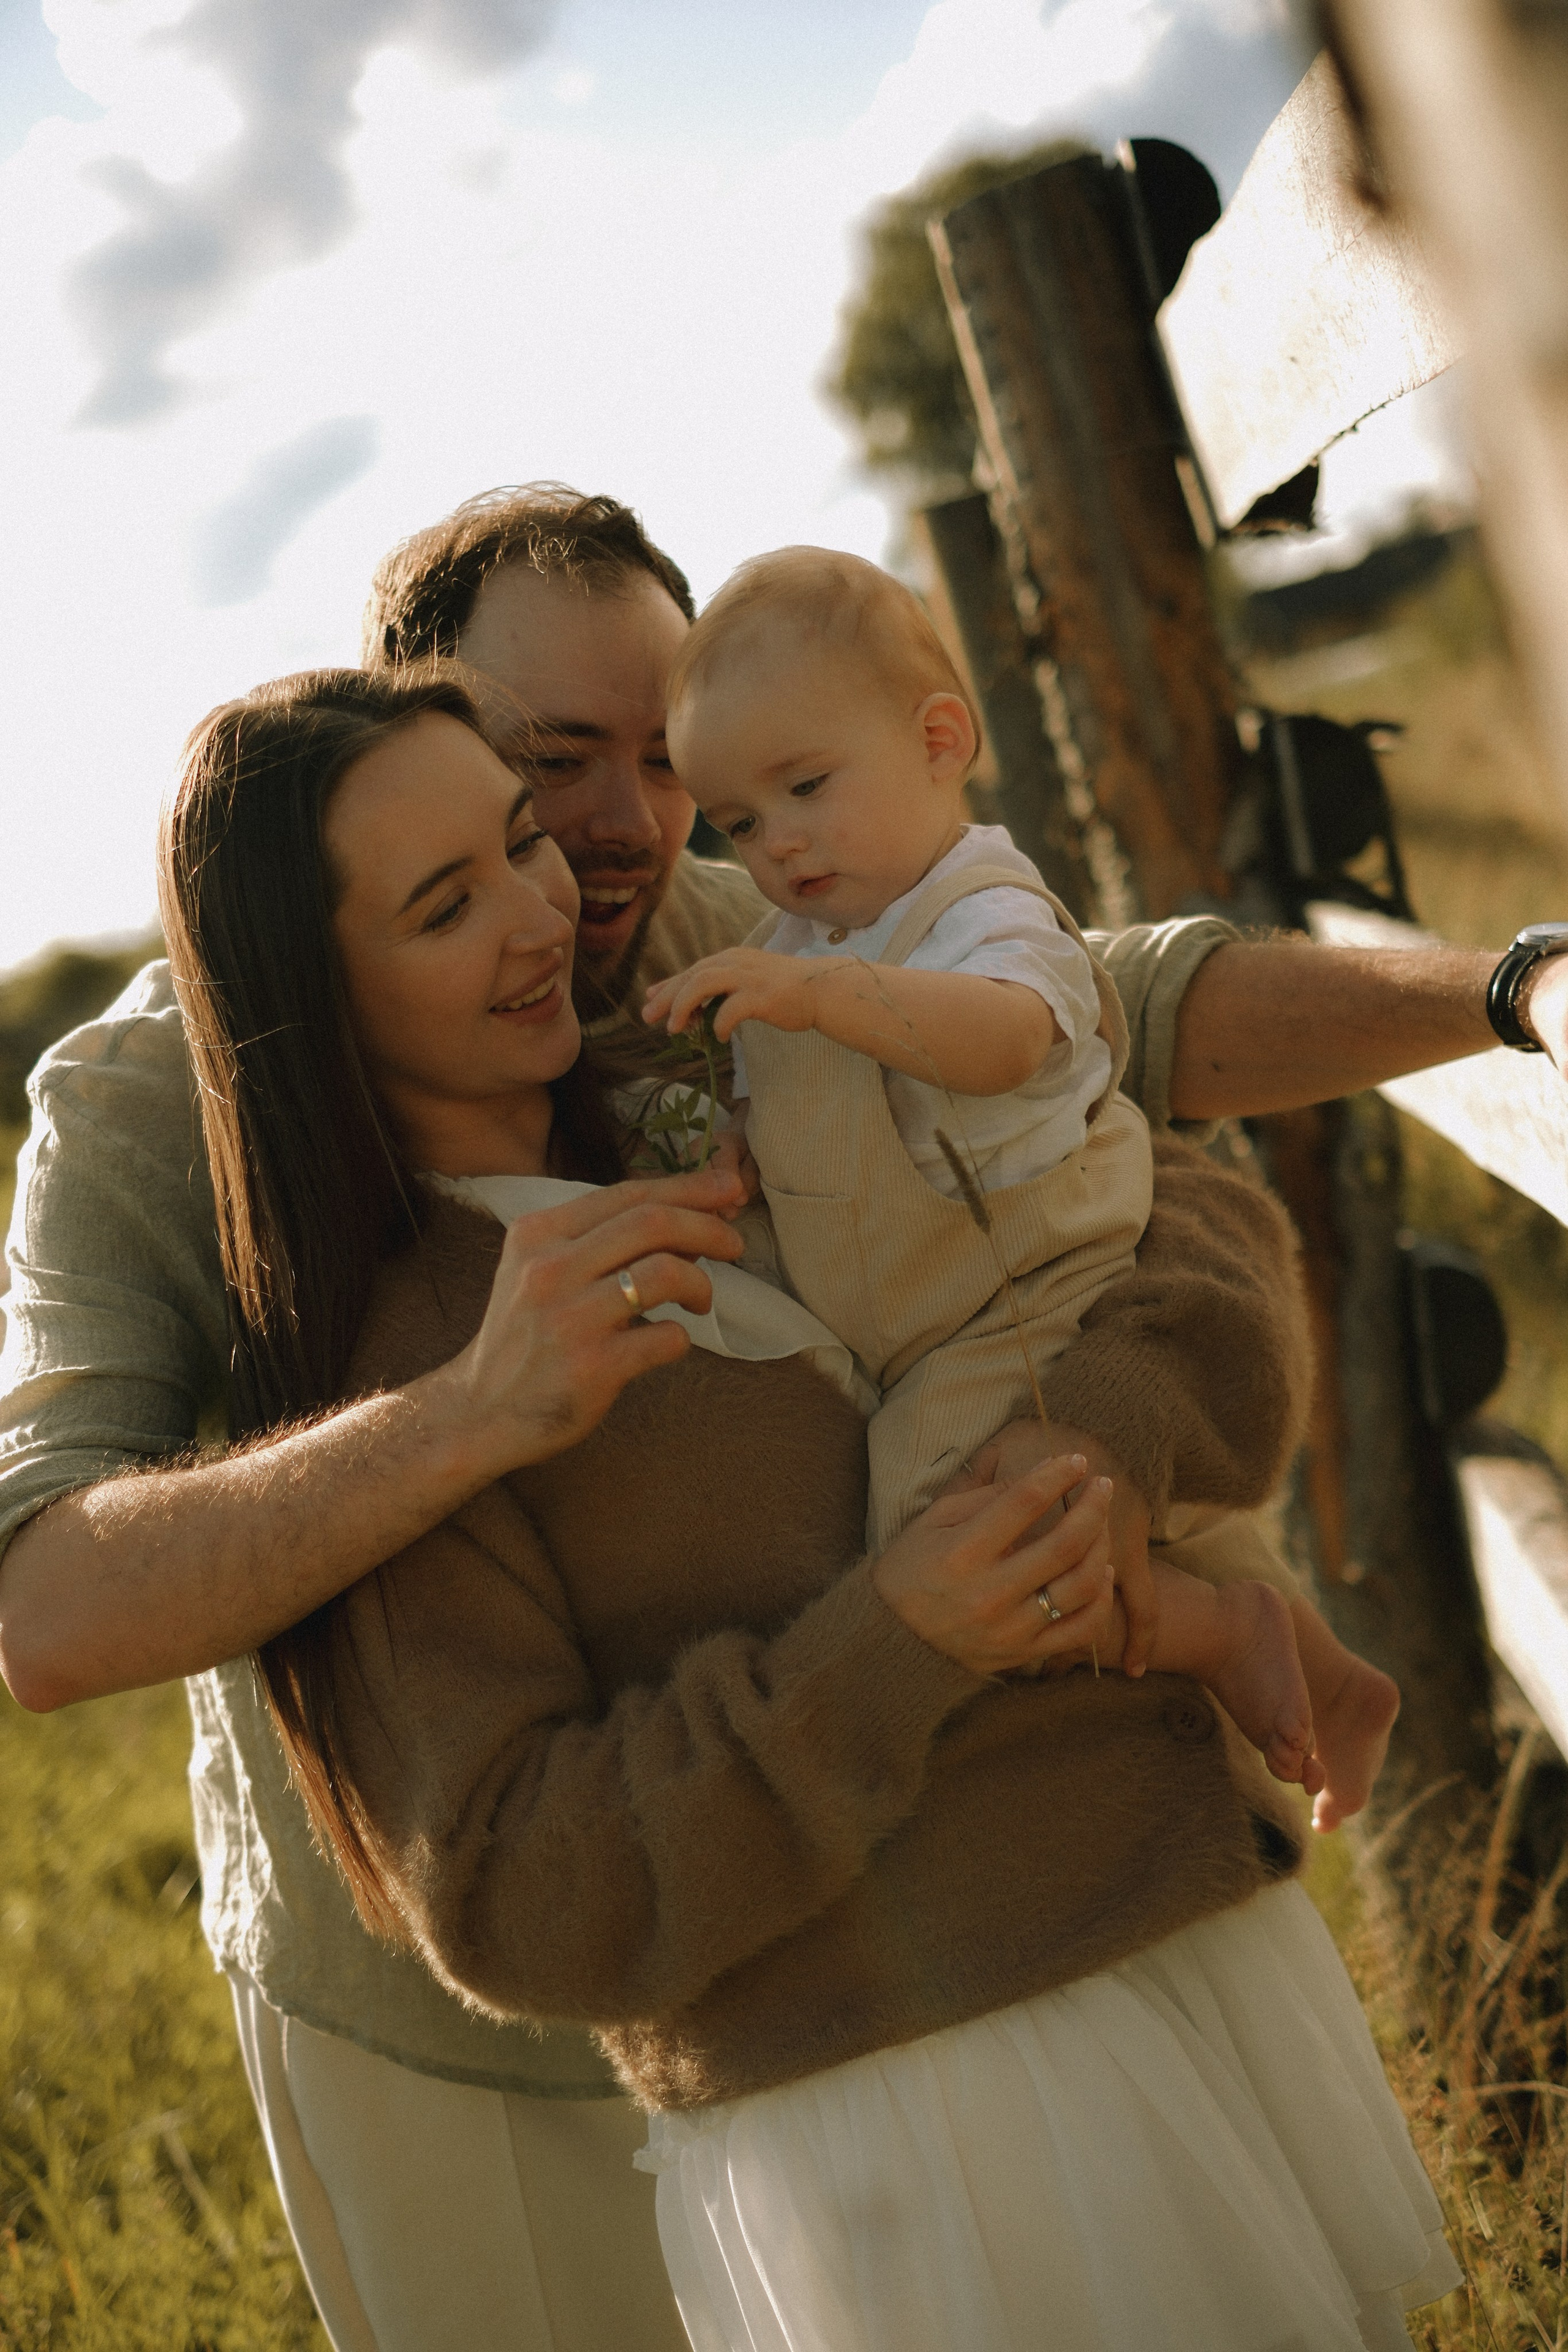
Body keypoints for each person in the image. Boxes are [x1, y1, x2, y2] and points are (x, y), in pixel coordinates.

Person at [0, 481, 1552, 2345]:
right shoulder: (153, 1110)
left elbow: (1089, 1039)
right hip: (447, 1993)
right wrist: (471, 1412)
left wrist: (1511, 988)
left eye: (664, 767)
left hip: (909, 1951)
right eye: (543, 766)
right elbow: (50, 1605)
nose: (609, 844)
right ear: (388, 725)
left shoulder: (704, 930)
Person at [644, 545, 1405, 1820]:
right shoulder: (793, 942)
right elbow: (794, 1096)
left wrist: (826, 997)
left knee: (944, 1541)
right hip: (926, 1308)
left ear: (940, 738)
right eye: (739, 822)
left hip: (1031, 1277)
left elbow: (1002, 1039)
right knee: (1067, 1505)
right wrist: (740, 1137)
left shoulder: (981, 907)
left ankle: (1216, 1632)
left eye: (805, 787)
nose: (776, 844)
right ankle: (1314, 1660)